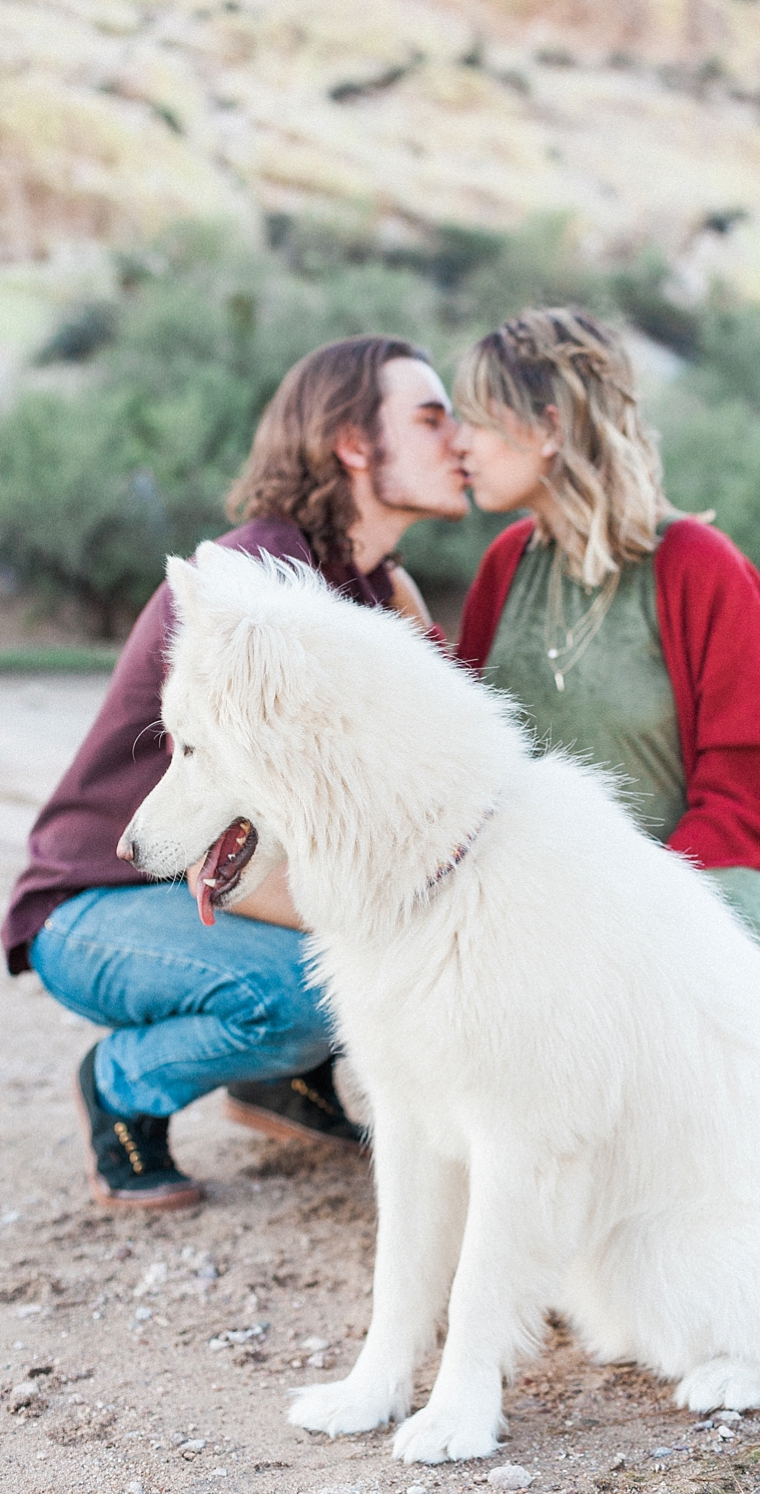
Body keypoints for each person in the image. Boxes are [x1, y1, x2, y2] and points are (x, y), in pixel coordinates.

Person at [2, 335, 468, 1209]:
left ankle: (280, 1085)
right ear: (352, 443)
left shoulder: (364, 588)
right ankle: (121, 1083)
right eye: (431, 419)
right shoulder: (257, 588)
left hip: (199, 889)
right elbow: (227, 851)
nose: (462, 442)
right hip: (102, 898)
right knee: (313, 988)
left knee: (395, 940)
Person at [453, 307, 760, 1067]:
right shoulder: (504, 565)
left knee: (716, 939)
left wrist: (629, 899)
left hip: (696, 886)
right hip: (542, 894)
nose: (459, 444)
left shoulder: (696, 565)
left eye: (476, 421)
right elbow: (473, 765)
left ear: (547, 427)